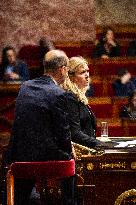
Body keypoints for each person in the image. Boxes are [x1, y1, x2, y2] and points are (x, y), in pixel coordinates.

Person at [5, 50, 76, 205]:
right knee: (72, 166)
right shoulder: (58, 93)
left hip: (20, 156)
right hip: (45, 156)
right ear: (62, 69)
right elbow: (63, 133)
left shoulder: (25, 87)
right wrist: (69, 152)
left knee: (21, 198)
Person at [61, 56, 101, 148]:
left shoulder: (79, 96)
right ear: (71, 77)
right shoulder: (70, 97)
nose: (87, 75)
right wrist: (99, 143)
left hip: (87, 148)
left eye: (87, 71)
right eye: (83, 72)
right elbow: (75, 133)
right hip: (80, 153)